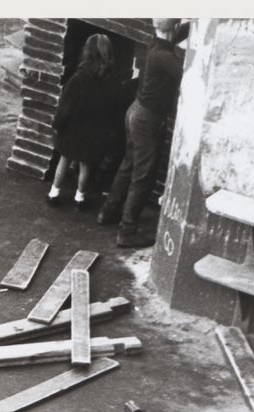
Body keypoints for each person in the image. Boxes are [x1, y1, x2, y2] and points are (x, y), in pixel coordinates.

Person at [96, 18, 186, 247]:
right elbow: (188, 71)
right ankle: (127, 231)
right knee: (143, 175)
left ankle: (108, 212)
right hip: (147, 119)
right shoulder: (166, 58)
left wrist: (191, 24)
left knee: (128, 164)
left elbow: (172, 34)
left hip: (135, 112)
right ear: (173, 28)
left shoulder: (155, 44)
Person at [46, 33, 126, 211]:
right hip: (94, 133)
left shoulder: (78, 78)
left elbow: (65, 107)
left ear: (87, 53)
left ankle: (54, 193)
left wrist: (57, 125)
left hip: (72, 130)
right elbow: (115, 109)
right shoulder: (112, 81)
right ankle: (80, 198)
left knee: (64, 160)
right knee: (85, 165)